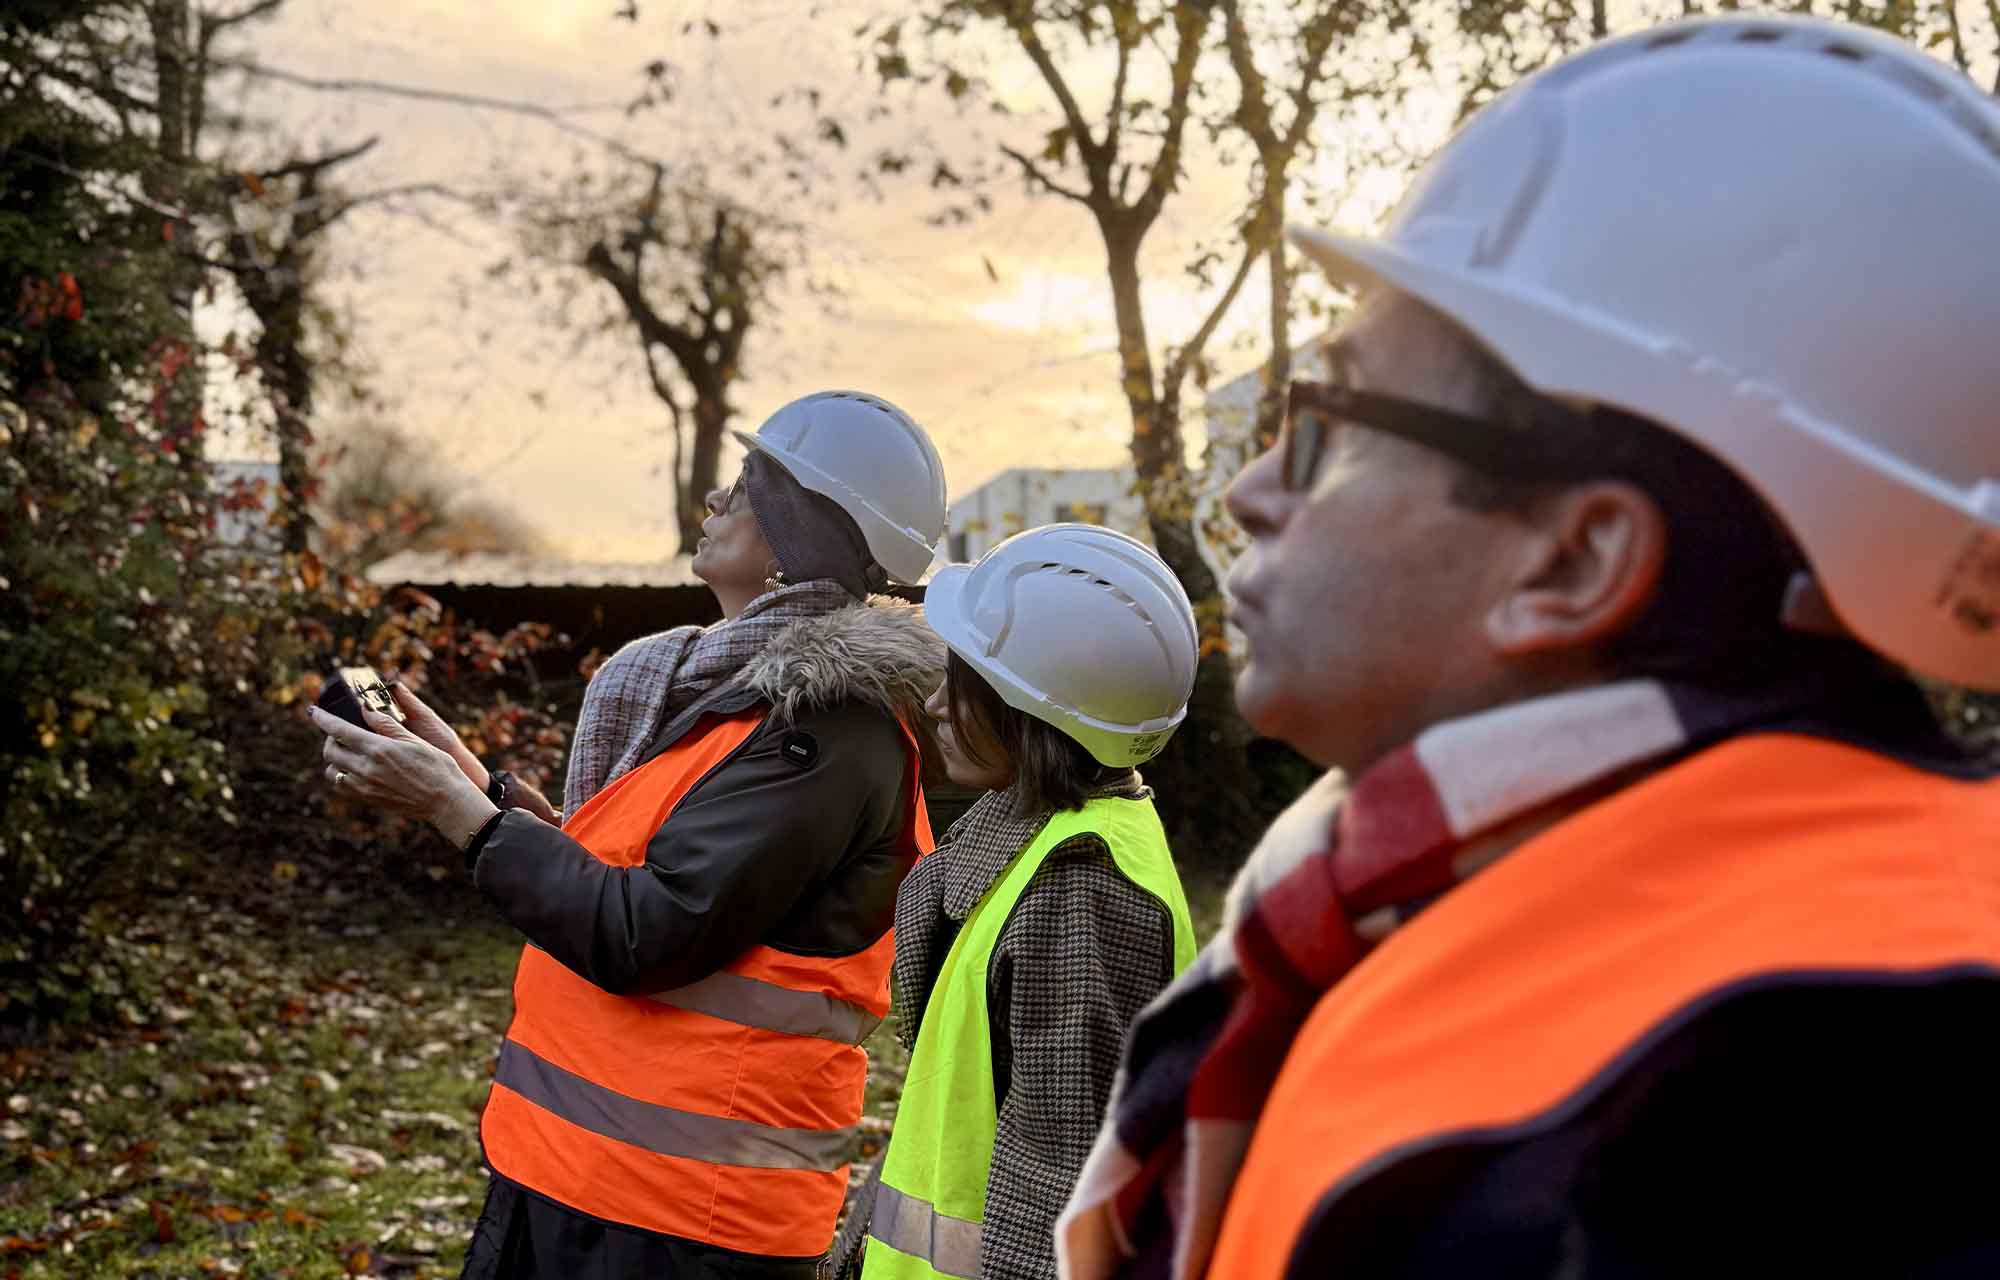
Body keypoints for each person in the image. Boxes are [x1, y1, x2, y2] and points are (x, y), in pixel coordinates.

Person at [1059, 16, 2000, 1280]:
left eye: (1326, 421)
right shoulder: (1415, 904)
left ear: (1569, 562)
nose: (1251, 492)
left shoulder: (1799, 1125)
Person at [312, 390, 952, 1279]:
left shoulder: (826, 732)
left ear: (790, 536)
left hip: (685, 1222)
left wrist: (456, 817)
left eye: (740, 488)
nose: (713, 505)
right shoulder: (725, 695)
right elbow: (618, 866)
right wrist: (472, 784)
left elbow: (647, 927)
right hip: (580, 1179)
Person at [838, 525, 1198, 1280]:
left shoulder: (1082, 888)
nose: (934, 703)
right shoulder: (1051, 840)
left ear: (1035, 704)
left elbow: (1060, 1194)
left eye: (963, 679)